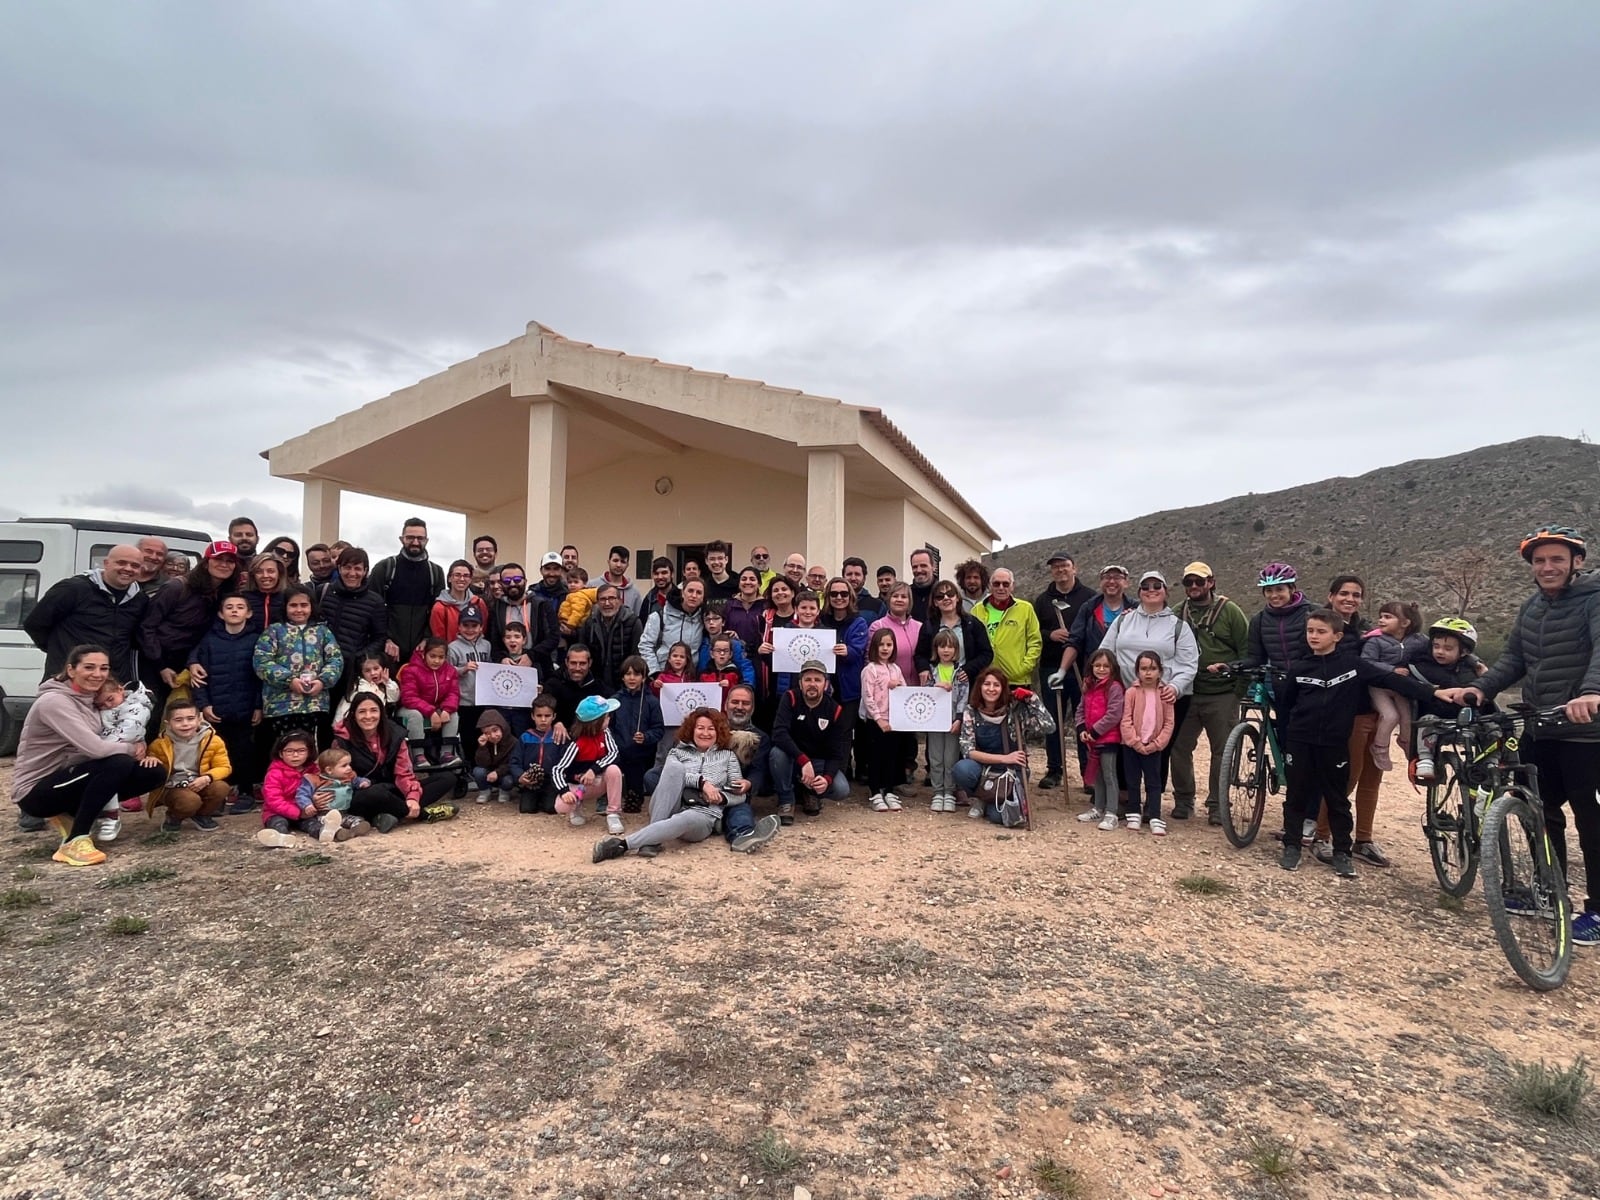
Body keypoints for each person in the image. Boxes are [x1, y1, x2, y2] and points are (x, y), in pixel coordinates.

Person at [1439, 526, 1600, 943]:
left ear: (1575, 562)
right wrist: (1482, 688)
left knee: (1592, 819)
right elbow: (1514, 658)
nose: (1547, 567)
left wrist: (1591, 692)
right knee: (1540, 811)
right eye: (1540, 561)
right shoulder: (1532, 608)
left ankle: (1598, 910)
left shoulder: (1594, 599)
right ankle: (1551, 891)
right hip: (1542, 723)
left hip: (1588, 728)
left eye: (1556, 560)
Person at [1277, 608, 1438, 876]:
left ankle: (1342, 852)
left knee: (1338, 798)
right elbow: (1287, 705)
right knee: (1296, 796)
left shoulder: (1353, 666)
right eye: (1310, 631)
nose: (1314, 636)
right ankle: (1291, 846)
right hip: (1301, 741)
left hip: (1335, 743)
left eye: (1321, 631)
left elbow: (1390, 679)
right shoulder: (1300, 668)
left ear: (1337, 636)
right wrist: (1288, 740)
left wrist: (1436, 693)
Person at [11, 645, 166, 865]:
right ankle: (75, 841)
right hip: (37, 790)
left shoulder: (95, 699)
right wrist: (132, 750)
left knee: (153, 773)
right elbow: (97, 749)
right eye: (89, 667)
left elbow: (118, 730)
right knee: (118, 763)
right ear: (71, 670)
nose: (97, 674)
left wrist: (140, 745)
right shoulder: (54, 702)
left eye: (104, 668)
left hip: (73, 775)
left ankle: (73, 812)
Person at [591, 707, 781, 861]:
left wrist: (721, 796)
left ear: (719, 732)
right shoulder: (678, 752)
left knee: (683, 819)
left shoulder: (728, 756)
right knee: (673, 768)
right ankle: (652, 838)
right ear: (692, 729)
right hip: (670, 805)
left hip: (702, 814)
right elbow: (674, 775)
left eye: (711, 728)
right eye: (700, 727)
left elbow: (739, 794)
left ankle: (623, 845)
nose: (705, 733)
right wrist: (702, 782)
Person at [1096, 571, 1199, 795]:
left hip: (1164, 696)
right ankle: (1125, 797)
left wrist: (1175, 687)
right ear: (1139, 592)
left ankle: (1153, 802)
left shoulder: (1178, 627)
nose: (1151, 590)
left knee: (1158, 747)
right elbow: (1105, 651)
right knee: (1126, 743)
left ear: (1165, 591)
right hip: (1125, 693)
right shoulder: (1124, 620)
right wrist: (1105, 681)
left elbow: (1188, 663)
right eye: (1145, 587)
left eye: (1156, 586)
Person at [1171, 561, 1250, 824]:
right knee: (1179, 748)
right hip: (1188, 692)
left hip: (1223, 693)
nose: (1194, 586)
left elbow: (1247, 651)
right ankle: (1184, 800)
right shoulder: (1177, 613)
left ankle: (1217, 804)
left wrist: (1238, 689)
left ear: (1211, 582)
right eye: (1188, 582)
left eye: (1199, 581)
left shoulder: (1231, 612)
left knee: (1222, 751)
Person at [139, 541, 240, 731]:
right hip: (157, 663)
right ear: (206, 561)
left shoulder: (225, 594)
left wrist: (193, 661)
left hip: (189, 666)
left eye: (230, 561)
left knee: (185, 721)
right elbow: (146, 627)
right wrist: (161, 666)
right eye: (219, 559)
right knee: (152, 717)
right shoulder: (177, 587)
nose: (224, 564)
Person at [330, 692, 459, 832]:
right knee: (375, 793)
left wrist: (413, 797)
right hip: (361, 794)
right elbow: (337, 778)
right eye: (362, 711)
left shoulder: (395, 734)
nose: (368, 716)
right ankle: (422, 814)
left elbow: (404, 772)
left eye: (374, 710)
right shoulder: (341, 741)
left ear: (381, 713)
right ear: (354, 714)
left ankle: (387, 815)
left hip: (392, 789)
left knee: (447, 778)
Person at [24, 543, 148, 683]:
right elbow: (35, 624)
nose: (127, 569)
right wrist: (63, 652)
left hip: (111, 685)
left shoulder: (139, 599)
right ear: (106, 563)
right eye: (121, 563)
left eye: (135, 565)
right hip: (69, 680)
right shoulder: (73, 589)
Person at [951, 668, 1054, 823]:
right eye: (987, 684)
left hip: (1013, 770)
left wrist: (1032, 699)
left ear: (1003, 688)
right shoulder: (971, 711)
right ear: (980, 687)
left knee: (1000, 816)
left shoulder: (1015, 710)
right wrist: (1005, 758)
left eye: (996, 685)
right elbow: (968, 751)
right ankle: (982, 797)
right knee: (962, 769)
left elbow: (1049, 726)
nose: (991, 689)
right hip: (984, 768)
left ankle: (993, 800)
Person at [1032, 551, 1098, 790]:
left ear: (1074, 568)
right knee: (1052, 720)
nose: (1060, 570)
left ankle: (1086, 772)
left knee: (1084, 721)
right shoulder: (1042, 600)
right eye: (1056, 567)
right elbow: (1033, 631)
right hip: (1051, 666)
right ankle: (1054, 769)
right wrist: (1050, 634)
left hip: (1082, 669)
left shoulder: (1090, 598)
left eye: (1065, 566)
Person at [189, 593, 264, 804]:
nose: (234, 610)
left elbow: (261, 678)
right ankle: (222, 793)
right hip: (217, 709)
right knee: (219, 751)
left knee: (246, 751)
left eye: (240, 607)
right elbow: (199, 678)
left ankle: (247, 792)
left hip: (246, 708)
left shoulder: (257, 640)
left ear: (248, 613)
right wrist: (203, 704)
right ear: (221, 614)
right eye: (229, 607)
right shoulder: (209, 641)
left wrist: (259, 706)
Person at [253, 584, 343, 750]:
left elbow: (335, 659)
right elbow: (262, 662)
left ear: (311, 607)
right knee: (285, 750)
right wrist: (289, 680)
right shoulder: (274, 631)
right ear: (285, 607)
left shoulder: (322, 632)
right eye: (293, 605)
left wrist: (323, 681)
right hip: (281, 706)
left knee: (310, 751)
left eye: (304, 605)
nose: (299, 610)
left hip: (315, 704)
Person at [770, 660, 852, 824]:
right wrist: (803, 760)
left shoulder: (835, 710)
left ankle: (811, 793)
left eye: (817, 680)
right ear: (800, 683)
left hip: (818, 763)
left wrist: (827, 778)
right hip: (793, 759)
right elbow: (779, 733)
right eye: (808, 680)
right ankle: (787, 801)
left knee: (841, 789)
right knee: (776, 754)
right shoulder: (790, 698)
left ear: (826, 684)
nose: (812, 684)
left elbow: (837, 752)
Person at [1410, 618, 1491, 782]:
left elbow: (1487, 695)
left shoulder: (1472, 669)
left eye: (1448, 648)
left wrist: (1485, 679)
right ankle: (1426, 759)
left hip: (1470, 719)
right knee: (1427, 722)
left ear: (1463, 652)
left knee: (1493, 727)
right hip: (1438, 717)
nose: (1440, 652)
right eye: (1436, 646)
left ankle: (1491, 761)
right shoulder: (1423, 666)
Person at [144, 698, 231, 834]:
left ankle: (201, 815)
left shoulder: (213, 740)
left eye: (190, 719)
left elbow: (224, 766)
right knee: (189, 801)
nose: (185, 724)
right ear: (168, 724)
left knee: (221, 788)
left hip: (200, 781)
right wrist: (150, 760)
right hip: (173, 787)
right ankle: (174, 816)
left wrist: (207, 777)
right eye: (178, 720)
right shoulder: (159, 744)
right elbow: (152, 767)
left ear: (199, 719)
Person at [368, 518, 445, 666]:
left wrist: (427, 639)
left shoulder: (435, 572)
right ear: (401, 539)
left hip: (421, 652)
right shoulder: (385, 568)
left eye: (420, 538)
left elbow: (437, 611)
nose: (415, 542)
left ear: (426, 541)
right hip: (388, 651)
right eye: (410, 537)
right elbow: (372, 608)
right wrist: (386, 639)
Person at [1361, 600, 1425, 770]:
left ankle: (1406, 742)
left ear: (1405, 623)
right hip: (1378, 686)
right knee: (1390, 716)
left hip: (1400, 688)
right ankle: (1380, 747)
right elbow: (1366, 661)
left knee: (1407, 718)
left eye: (1388, 617)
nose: (1381, 620)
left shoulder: (1418, 640)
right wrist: (1391, 669)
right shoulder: (1375, 641)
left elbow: (1436, 648)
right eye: (1381, 616)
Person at [317, 547, 390, 695]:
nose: (352, 573)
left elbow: (379, 637)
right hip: (319, 666)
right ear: (339, 568)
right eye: (347, 567)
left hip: (350, 672)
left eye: (357, 569)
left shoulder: (375, 601)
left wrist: (358, 658)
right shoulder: (323, 592)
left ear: (365, 571)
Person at [1120, 651, 1176, 835]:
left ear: (1160, 671)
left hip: (1153, 746)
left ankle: (1155, 816)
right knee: (1133, 780)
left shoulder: (1166, 694)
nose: (1148, 673)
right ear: (1137, 671)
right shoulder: (1131, 692)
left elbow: (1169, 723)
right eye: (1144, 669)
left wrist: (1157, 744)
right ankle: (1134, 813)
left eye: (1153, 669)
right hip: (1132, 746)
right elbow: (1126, 719)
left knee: (1154, 782)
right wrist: (1135, 742)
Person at [553, 695, 626, 835]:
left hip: (599, 781)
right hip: (581, 786)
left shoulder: (605, 732)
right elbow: (557, 769)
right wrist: (564, 791)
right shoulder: (576, 743)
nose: (609, 718)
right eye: (606, 717)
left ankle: (613, 814)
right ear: (596, 722)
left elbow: (614, 753)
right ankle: (576, 806)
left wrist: (594, 769)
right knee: (562, 806)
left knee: (614, 770)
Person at [859, 628, 908, 812]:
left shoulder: (896, 669)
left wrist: (898, 685)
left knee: (891, 756)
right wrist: (878, 719)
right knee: (875, 757)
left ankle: (888, 790)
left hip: (894, 721)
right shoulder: (869, 670)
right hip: (875, 722)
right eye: (881, 644)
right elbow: (867, 697)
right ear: (874, 646)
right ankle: (875, 792)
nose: (885, 648)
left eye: (889, 644)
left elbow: (905, 691)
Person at [1076, 649, 1125, 829]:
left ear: (1112, 668)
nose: (1101, 669)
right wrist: (1081, 728)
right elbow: (1081, 709)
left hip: (1108, 738)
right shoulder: (1088, 685)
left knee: (1109, 774)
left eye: (1105, 666)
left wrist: (1095, 731)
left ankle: (1111, 812)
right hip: (1091, 739)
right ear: (1091, 666)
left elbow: (1114, 714)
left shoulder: (1114, 687)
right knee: (1097, 775)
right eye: (1097, 665)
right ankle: (1098, 807)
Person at [397, 637, 463, 767]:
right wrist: (431, 711)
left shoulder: (450, 670)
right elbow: (409, 697)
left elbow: (453, 693)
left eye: (441, 657)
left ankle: (446, 754)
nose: (437, 661)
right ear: (424, 654)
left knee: (453, 715)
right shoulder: (410, 670)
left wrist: (447, 709)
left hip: (437, 708)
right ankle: (418, 755)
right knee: (415, 715)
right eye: (432, 656)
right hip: (410, 708)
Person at [971, 569, 1042, 689]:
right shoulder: (977, 610)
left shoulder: (1025, 609)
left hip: (1017, 680)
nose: (1001, 587)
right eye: (996, 584)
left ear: (1012, 586)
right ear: (989, 586)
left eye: (1005, 584)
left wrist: (1023, 668)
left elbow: (1035, 642)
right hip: (986, 680)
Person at [913, 581, 994, 685]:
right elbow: (920, 655)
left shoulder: (972, 624)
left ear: (957, 598)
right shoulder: (929, 626)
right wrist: (923, 668)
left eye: (950, 594)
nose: (946, 598)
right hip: (937, 684)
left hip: (967, 684)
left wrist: (969, 669)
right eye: (940, 596)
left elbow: (986, 653)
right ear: (935, 602)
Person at [925, 630, 970, 813]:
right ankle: (938, 792)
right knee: (936, 758)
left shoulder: (961, 673)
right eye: (942, 646)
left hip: (953, 721)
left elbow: (964, 697)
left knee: (950, 758)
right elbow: (924, 693)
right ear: (936, 649)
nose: (946, 650)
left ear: (956, 650)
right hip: (934, 721)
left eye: (950, 646)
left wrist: (959, 719)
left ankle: (949, 793)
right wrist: (936, 687)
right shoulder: (930, 671)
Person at [612, 655, 665, 808]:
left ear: (643, 677)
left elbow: (658, 729)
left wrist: (646, 737)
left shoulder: (652, 702)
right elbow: (608, 727)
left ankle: (634, 795)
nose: (632, 678)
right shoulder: (615, 700)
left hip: (640, 755)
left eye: (636, 674)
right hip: (618, 752)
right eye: (628, 674)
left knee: (634, 802)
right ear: (622, 677)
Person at [489, 563, 561, 672]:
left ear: (525, 581)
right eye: (507, 581)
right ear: (502, 584)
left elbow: (553, 637)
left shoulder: (541, 604)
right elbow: (494, 640)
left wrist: (531, 656)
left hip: (539, 666)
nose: (513, 584)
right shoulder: (498, 607)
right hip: (507, 668)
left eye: (517, 579)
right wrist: (502, 658)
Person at [575, 583, 643, 694]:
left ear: (620, 601)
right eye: (602, 599)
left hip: (624, 686)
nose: (607, 603)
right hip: (596, 685)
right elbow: (583, 652)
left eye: (611, 598)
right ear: (597, 602)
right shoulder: (589, 623)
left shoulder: (633, 622)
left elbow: (637, 655)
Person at [1244, 563, 1310, 670]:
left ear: (1292, 589)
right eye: (1269, 590)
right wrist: (1229, 666)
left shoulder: (1313, 613)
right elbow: (1256, 659)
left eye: (1279, 589)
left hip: (1311, 680)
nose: (1274, 595)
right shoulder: (1259, 620)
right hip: (1279, 683)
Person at [641, 580, 706, 674]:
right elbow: (645, 645)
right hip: (662, 677)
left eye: (699, 592)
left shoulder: (703, 619)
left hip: (690, 678)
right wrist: (655, 673)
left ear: (703, 598)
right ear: (682, 593)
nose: (694, 595)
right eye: (690, 591)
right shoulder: (660, 616)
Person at [511, 695, 562, 814]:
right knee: (526, 809)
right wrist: (520, 776)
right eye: (539, 716)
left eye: (547, 716)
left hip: (551, 781)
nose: (543, 720)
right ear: (532, 716)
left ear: (554, 716)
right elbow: (514, 761)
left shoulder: (559, 737)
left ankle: (547, 799)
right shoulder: (525, 737)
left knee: (551, 809)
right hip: (531, 781)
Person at [448, 603, 493, 738]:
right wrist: (463, 669)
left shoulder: (486, 645)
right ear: (459, 626)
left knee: (483, 734)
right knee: (467, 734)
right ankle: (467, 759)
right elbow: (447, 672)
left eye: (474, 626)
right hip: (464, 701)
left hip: (483, 699)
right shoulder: (453, 647)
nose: (470, 630)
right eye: (466, 625)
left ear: (481, 628)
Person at [548, 642, 605, 729]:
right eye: (573, 663)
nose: (577, 668)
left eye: (582, 663)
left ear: (590, 663)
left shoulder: (600, 689)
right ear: (566, 662)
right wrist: (555, 722)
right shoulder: (553, 685)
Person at [695, 603, 755, 685]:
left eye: (716, 618)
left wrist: (747, 687)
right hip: (706, 690)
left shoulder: (734, 643)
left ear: (723, 622)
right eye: (707, 619)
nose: (711, 622)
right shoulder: (700, 643)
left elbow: (745, 667)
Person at [237, 552, 288, 636]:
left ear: (279, 573)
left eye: (270, 571)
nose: (265, 575)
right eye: (259, 571)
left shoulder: (288, 597)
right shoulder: (241, 598)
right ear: (253, 575)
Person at [430, 560, 479, 644]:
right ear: (449, 578)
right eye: (457, 575)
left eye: (466, 576)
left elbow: (483, 631)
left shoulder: (478, 603)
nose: (462, 579)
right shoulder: (440, 608)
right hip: (450, 654)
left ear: (470, 579)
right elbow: (439, 640)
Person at [470, 709, 515, 801]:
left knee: (509, 780)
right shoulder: (485, 742)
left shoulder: (513, 742)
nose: (493, 735)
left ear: (503, 727)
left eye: (495, 730)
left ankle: (504, 791)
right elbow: (481, 764)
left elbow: (513, 763)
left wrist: (498, 772)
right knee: (478, 771)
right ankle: (485, 791)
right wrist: (482, 748)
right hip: (488, 774)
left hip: (504, 774)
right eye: (487, 733)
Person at [725, 568, 770, 654]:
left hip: (760, 657)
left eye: (752, 579)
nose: (748, 582)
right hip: (734, 656)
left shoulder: (766, 606)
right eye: (744, 579)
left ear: (759, 584)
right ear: (739, 584)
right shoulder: (729, 605)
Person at [599, 545, 644, 614]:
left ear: (627, 565)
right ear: (608, 562)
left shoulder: (634, 592)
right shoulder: (593, 585)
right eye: (615, 560)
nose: (618, 565)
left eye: (623, 562)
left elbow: (638, 617)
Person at [908, 549, 938, 624]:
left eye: (923, 566)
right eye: (915, 567)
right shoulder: (906, 594)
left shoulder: (943, 594)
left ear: (933, 567)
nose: (918, 570)